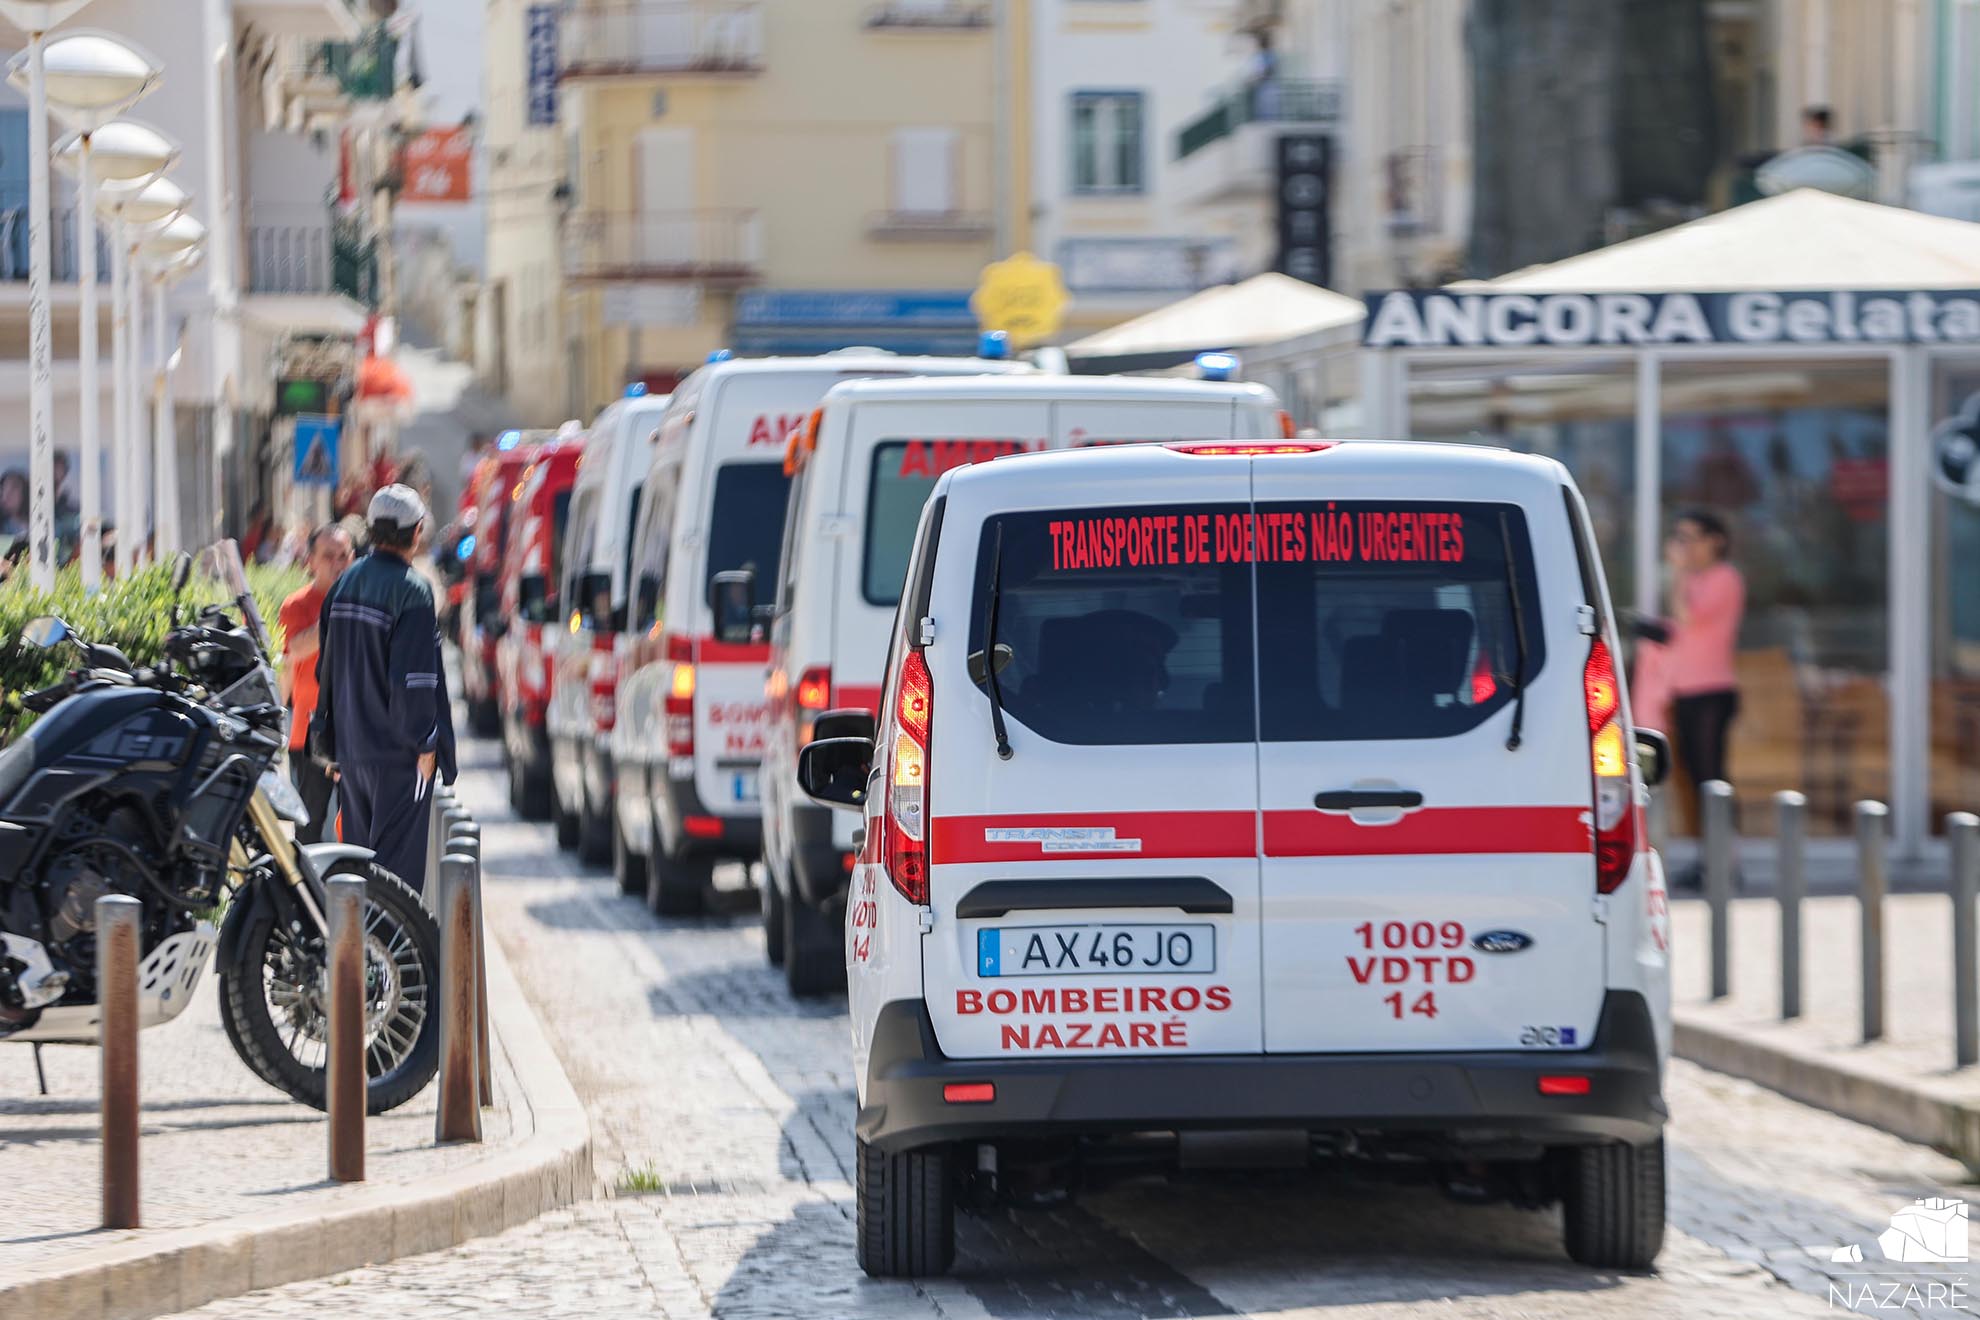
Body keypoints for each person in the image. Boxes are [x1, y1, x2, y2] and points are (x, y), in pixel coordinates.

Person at [311, 485, 458, 893]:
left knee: (359, 872)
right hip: (398, 756)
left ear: (372, 531)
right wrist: (427, 744)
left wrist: (331, 743)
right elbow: (414, 682)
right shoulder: (412, 590)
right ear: (417, 532)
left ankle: (361, 956)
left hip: (353, 754)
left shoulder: (343, 586)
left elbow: (326, 672)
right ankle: (387, 957)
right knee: (397, 884)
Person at [1652, 510, 1745, 877]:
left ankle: (1728, 859)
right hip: (1685, 691)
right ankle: (1709, 857)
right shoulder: (1694, 579)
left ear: (1715, 540)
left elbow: (1688, 617)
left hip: (1712, 691)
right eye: (1680, 537)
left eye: (1691, 537)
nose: (1684, 546)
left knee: (1712, 775)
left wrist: (1676, 572)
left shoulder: (1725, 578)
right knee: (1691, 777)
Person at [278, 524, 355, 844]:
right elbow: (294, 649)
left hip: (355, 727)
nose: (337, 563)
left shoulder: (362, 602)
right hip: (309, 731)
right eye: (328, 556)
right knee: (309, 827)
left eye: (343, 556)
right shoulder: (296, 605)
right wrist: (335, 613)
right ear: (311, 561)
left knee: (355, 825)